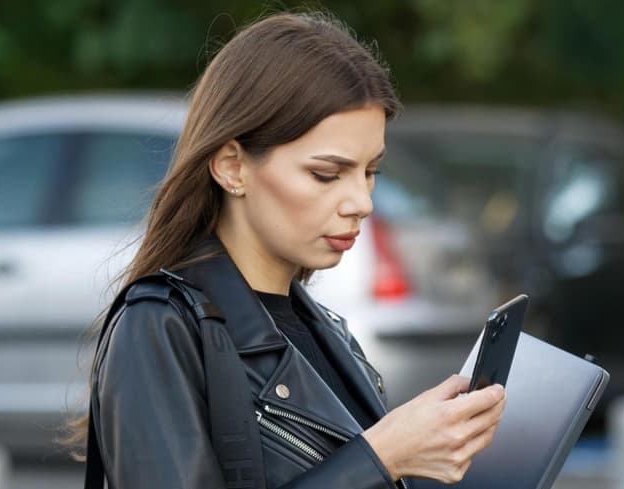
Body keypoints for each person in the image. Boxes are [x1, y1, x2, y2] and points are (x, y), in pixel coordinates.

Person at [69, 11, 506, 488]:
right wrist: (384, 454)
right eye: (327, 174)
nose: (361, 202)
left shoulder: (328, 332)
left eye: (370, 171)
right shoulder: (158, 324)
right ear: (232, 166)